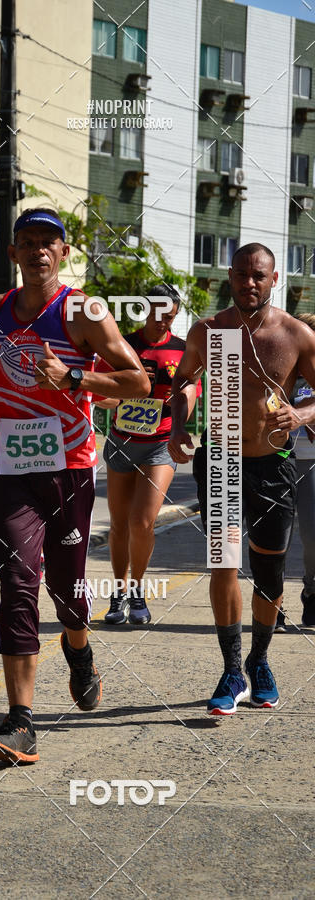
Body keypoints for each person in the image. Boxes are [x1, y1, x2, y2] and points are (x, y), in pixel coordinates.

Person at [0, 207, 150, 763]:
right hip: (10, 471)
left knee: (67, 592)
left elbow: (138, 381)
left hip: (68, 470)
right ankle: (20, 721)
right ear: (13, 252)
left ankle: (79, 649)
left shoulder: (84, 311)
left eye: (49, 241)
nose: (39, 249)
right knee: (18, 583)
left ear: (64, 252)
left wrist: (75, 376)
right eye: (28, 241)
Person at [169, 243, 315, 716]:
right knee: (224, 563)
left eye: (259, 276)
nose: (249, 283)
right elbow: (184, 380)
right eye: (241, 274)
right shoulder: (210, 331)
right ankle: (232, 669)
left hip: (274, 466)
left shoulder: (295, 335)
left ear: (275, 280)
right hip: (221, 461)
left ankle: (259, 660)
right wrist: (178, 424)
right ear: (229, 277)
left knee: (269, 571)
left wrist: (301, 414)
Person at [95, 285, 199, 627]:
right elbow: (103, 393)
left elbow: (189, 392)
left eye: (170, 316)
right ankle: (118, 592)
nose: (162, 321)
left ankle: (138, 590)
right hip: (121, 442)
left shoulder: (182, 350)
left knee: (142, 522)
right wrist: (120, 391)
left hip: (159, 443)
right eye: (157, 314)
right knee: (119, 524)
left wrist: (180, 424)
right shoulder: (122, 345)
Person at [290, 313, 315, 629]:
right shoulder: (279, 367)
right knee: (274, 539)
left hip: (311, 460)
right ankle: (272, 601)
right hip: (277, 457)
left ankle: (311, 590)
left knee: (311, 536)